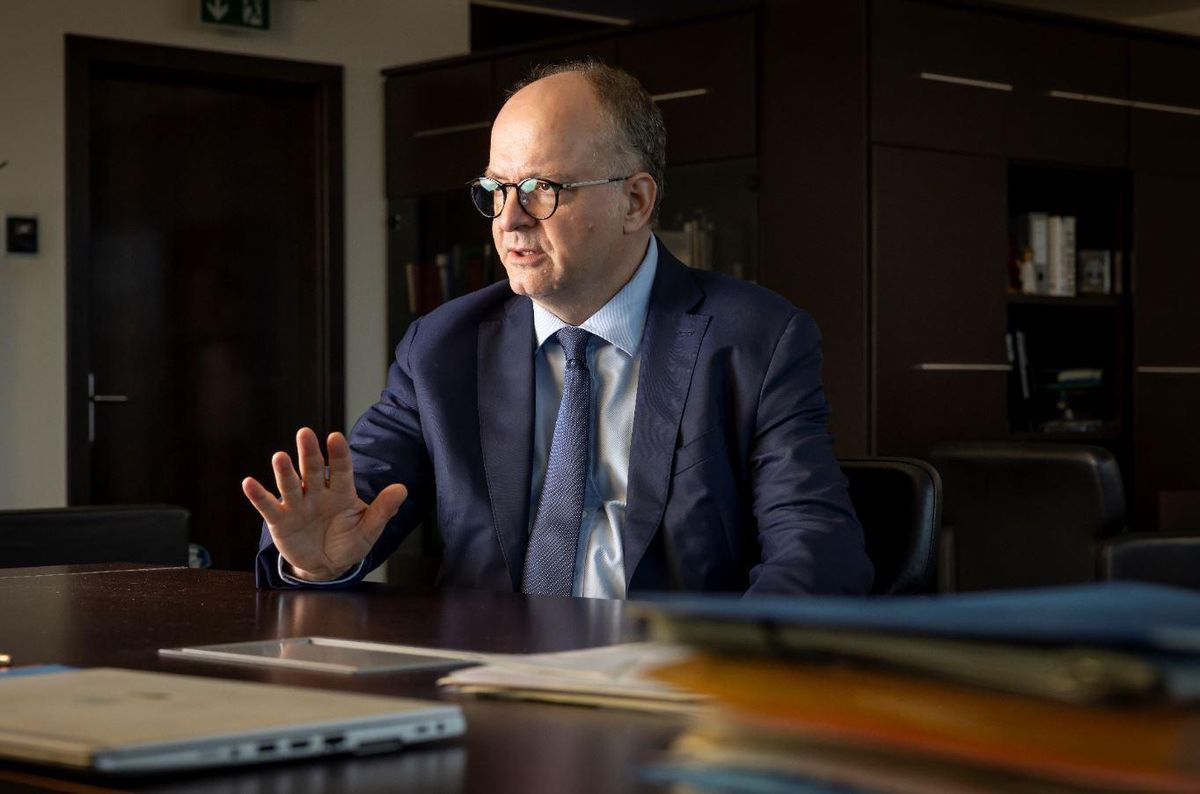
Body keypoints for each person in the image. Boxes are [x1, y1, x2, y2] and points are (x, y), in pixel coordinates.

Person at [244, 61, 873, 597]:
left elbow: (817, 548)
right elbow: (347, 515)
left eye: (542, 188)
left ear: (636, 201)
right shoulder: (441, 347)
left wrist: (728, 670)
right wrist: (318, 563)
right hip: (488, 678)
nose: (508, 220)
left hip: (671, 679)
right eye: (497, 189)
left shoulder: (757, 339)